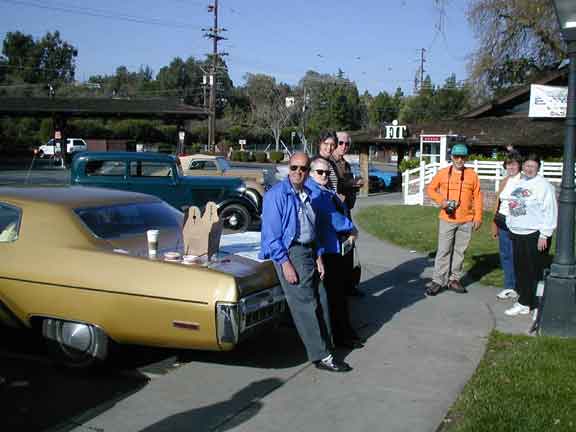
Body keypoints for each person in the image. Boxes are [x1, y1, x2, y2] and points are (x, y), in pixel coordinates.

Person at [260, 152, 352, 372]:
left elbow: (312, 229)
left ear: (308, 171)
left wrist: (319, 255)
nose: (298, 172)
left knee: (321, 298)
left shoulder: (307, 194)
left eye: (303, 169)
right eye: (294, 168)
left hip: (310, 250)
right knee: (306, 306)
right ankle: (321, 356)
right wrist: (285, 263)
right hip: (291, 252)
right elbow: (271, 237)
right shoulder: (276, 195)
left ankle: (327, 346)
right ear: (288, 168)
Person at [307, 157, 364, 349]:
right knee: (335, 297)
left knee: (337, 295)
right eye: (319, 172)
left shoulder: (322, 190)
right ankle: (340, 337)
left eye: (326, 172)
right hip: (328, 251)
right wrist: (351, 228)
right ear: (310, 173)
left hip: (334, 247)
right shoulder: (316, 193)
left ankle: (343, 333)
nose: (324, 175)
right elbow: (330, 217)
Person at [502, 153, 557, 317]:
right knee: (520, 269)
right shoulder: (520, 182)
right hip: (518, 232)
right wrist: (511, 225)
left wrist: (545, 235)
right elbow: (512, 205)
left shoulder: (544, 186)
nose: (529, 169)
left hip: (534, 234)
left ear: (538, 168)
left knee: (532, 270)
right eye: (526, 166)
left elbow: (550, 211)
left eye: (533, 166)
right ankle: (525, 300)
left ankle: (528, 303)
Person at [425, 143, 483, 295]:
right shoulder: (443, 173)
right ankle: (438, 281)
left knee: (459, 252)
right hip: (447, 218)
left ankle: (454, 279)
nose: (459, 160)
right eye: (456, 156)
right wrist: (442, 202)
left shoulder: (472, 175)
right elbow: (430, 189)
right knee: (443, 251)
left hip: (466, 220)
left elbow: (477, 197)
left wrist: (478, 217)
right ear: (451, 157)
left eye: (462, 157)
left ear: (466, 158)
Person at [332, 131, 364, 297]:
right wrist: (350, 184)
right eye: (340, 143)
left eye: (346, 144)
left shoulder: (346, 164)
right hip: (333, 214)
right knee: (336, 253)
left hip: (346, 211)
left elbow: (348, 189)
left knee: (349, 249)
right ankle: (339, 288)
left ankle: (349, 286)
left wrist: (355, 185)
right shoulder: (327, 163)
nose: (343, 146)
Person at [491, 151, 523, 300]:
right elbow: (498, 203)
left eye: (514, 164)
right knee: (505, 255)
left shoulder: (523, 181)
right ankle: (509, 286)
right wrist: (494, 224)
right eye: (508, 164)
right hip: (502, 221)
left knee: (516, 255)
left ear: (519, 165)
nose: (511, 167)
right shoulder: (505, 181)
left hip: (516, 223)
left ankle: (518, 286)